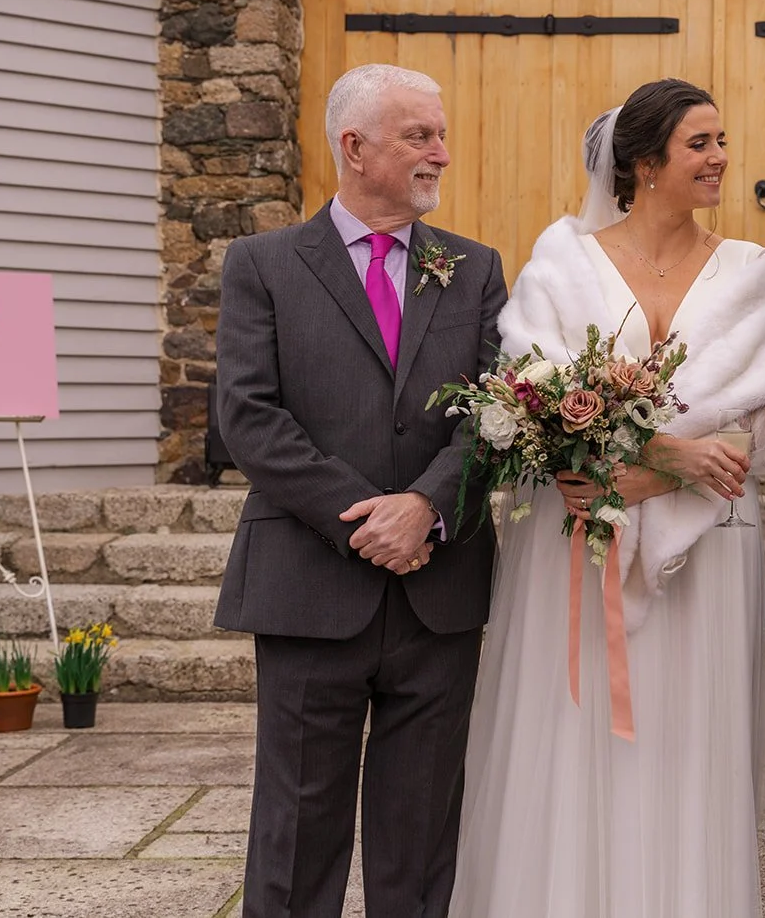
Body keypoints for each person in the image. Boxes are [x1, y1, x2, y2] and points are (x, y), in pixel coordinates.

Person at [450, 80, 765, 917]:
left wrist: (672, 469)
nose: (721, 158)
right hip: (581, 538)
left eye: (722, 140)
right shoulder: (564, 259)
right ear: (645, 163)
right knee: (574, 737)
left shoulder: (757, 271)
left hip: (708, 548)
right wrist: (644, 458)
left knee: (690, 743)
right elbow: (527, 394)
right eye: (700, 144)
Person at [214, 63, 508, 916]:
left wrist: (425, 506)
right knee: (298, 823)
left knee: (420, 830)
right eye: (420, 135)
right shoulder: (263, 264)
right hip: (310, 583)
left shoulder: (476, 268)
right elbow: (249, 417)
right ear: (355, 146)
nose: (442, 154)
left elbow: (499, 408)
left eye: (440, 134)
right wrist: (364, 520)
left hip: (438, 589)